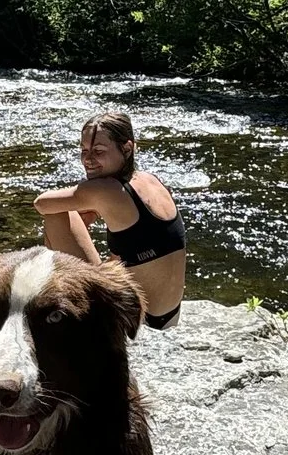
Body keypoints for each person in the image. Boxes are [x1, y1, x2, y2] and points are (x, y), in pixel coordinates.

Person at [33, 109, 188, 328]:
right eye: (83, 150)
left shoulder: (106, 190)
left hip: (138, 322)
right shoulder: (149, 181)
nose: (88, 159)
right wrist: (95, 209)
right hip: (168, 317)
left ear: (127, 148)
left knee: (56, 215)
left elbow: (41, 203)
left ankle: (61, 311)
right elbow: (130, 259)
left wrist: (89, 206)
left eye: (98, 151)